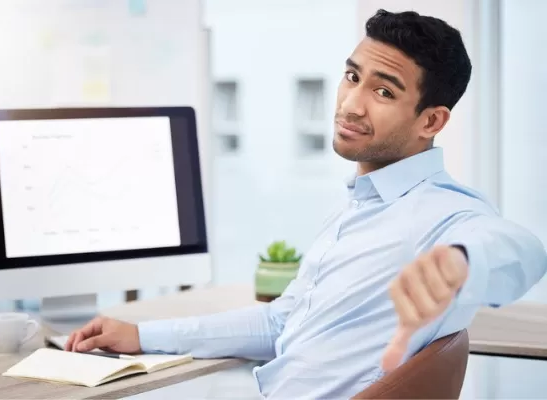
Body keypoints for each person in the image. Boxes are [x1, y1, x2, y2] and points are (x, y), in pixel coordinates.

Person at [66, 9, 547, 398]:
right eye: (352, 76)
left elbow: (517, 248)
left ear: (431, 121)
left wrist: (462, 263)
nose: (351, 104)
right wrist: (143, 337)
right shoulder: (357, 208)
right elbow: (280, 322)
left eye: (383, 91)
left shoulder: (441, 213)